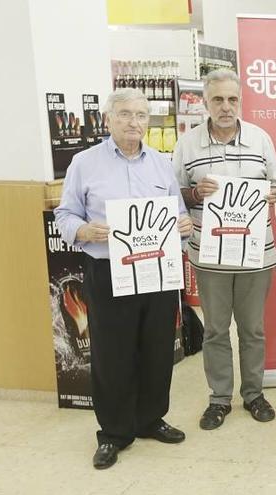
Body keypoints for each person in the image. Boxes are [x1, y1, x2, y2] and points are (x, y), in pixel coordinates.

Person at [54, 88, 193, 470]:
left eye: (142, 116)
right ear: (108, 119)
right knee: (111, 353)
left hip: (157, 270)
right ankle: (114, 433)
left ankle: (150, 419)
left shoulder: (161, 164)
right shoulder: (85, 163)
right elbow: (65, 216)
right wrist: (85, 231)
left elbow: (178, 215)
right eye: (126, 115)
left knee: (156, 349)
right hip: (108, 270)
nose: (135, 123)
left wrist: (183, 226)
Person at [173, 69, 276, 431]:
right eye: (218, 99)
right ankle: (219, 398)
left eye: (232, 99)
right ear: (205, 102)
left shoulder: (260, 138)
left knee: (253, 329)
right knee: (216, 330)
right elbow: (173, 193)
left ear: (241, 101)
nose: (226, 107)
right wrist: (194, 194)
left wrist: (272, 193)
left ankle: (253, 394)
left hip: (255, 253)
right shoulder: (187, 144)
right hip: (209, 254)